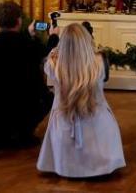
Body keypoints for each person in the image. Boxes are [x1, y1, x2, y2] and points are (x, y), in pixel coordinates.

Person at [37, 23, 125, 178]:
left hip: (64, 126)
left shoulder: (52, 64)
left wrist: (54, 36)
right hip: (98, 127)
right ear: (87, 41)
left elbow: (50, 54)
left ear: (62, 44)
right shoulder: (100, 62)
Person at [0, 1, 59, 158]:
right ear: (19, 21)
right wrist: (53, 35)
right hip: (24, 106)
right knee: (50, 97)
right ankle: (24, 133)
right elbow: (48, 51)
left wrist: (29, 35)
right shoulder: (28, 45)